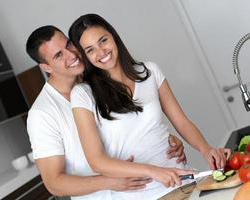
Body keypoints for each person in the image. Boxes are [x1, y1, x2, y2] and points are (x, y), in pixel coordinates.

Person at [68, 13, 231, 199]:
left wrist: (206, 149)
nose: (101, 52)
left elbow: (181, 121)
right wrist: (153, 171)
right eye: (90, 50)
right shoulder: (83, 94)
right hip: (140, 193)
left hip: (181, 180)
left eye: (103, 40)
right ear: (85, 56)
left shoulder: (150, 71)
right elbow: (97, 161)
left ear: (113, 36)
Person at [25, 25, 186, 200]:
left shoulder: (98, 80)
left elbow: (130, 127)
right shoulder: (42, 114)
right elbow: (54, 183)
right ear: (46, 67)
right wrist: (109, 181)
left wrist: (162, 139)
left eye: (69, 45)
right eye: (58, 55)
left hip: (147, 191)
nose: (71, 55)